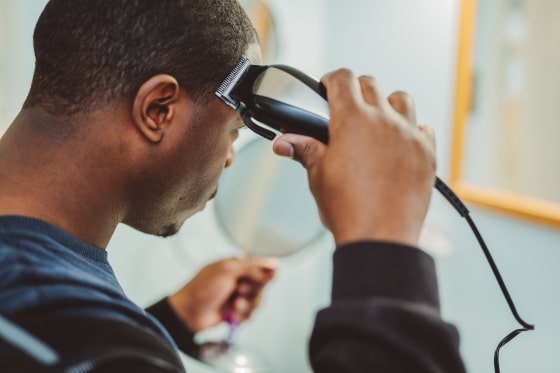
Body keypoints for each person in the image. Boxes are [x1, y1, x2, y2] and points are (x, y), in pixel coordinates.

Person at [0, 1, 466, 372]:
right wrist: (385, 247)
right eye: (234, 130)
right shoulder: (90, 342)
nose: (228, 158)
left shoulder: (55, 324)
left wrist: (165, 323)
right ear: (158, 110)